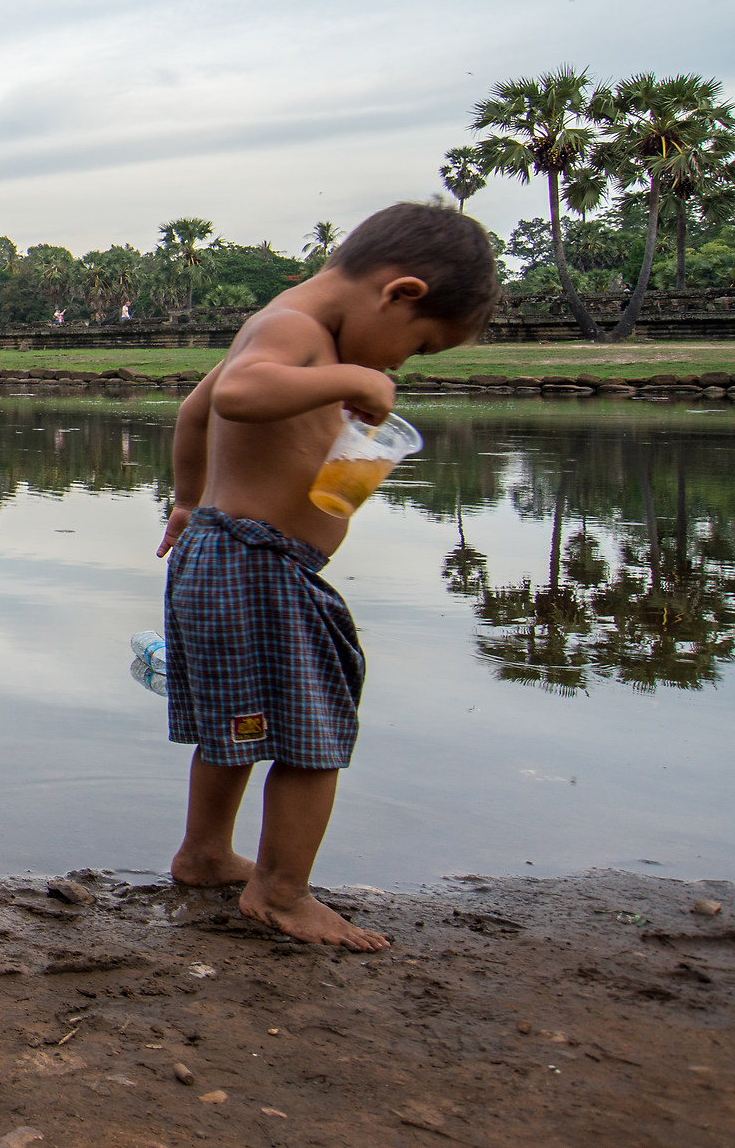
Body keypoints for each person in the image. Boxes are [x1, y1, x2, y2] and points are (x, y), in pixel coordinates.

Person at [153, 202, 494, 950]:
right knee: (315, 730)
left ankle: (206, 853)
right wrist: (356, 380)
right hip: (259, 562)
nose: (397, 367)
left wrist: (185, 500)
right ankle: (281, 890)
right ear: (398, 293)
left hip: (226, 553)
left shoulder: (278, 322)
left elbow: (195, 407)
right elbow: (239, 395)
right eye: (415, 347)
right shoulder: (298, 332)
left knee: (237, 723)